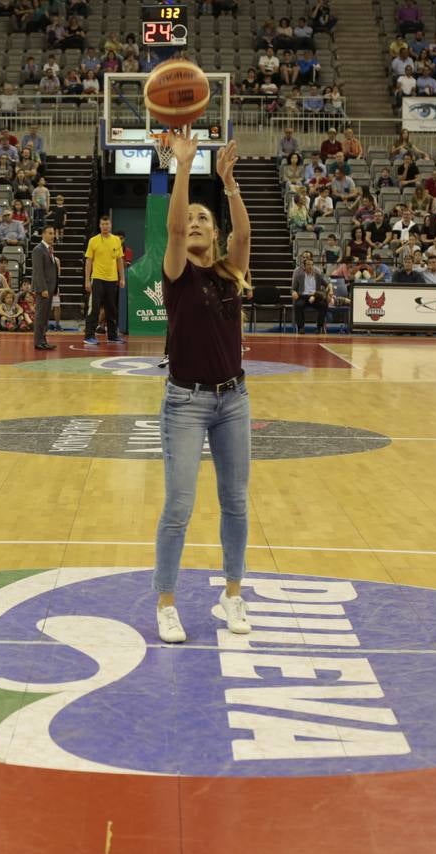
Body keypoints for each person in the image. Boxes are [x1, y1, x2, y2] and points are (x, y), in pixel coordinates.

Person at [152, 127, 252, 644]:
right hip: (185, 402)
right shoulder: (177, 274)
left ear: (213, 235)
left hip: (233, 400)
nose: (194, 222)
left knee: (235, 501)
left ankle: (232, 595)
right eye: (191, 217)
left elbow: (244, 238)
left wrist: (228, 184)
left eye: (202, 219)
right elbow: (171, 232)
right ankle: (166, 603)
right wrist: (185, 166)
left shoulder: (230, 273)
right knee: (179, 506)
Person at [83, 214, 125, 344]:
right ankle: (89, 336)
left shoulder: (116, 240)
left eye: (107, 224)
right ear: (99, 226)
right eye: (103, 224)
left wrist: (122, 278)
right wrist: (87, 280)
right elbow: (88, 262)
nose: (105, 227)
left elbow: (119, 261)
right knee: (94, 308)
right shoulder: (93, 241)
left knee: (111, 309)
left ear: (110, 225)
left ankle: (112, 336)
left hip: (112, 280)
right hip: (97, 279)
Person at [31, 223, 60, 350]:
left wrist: (55, 287)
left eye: (53, 233)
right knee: (40, 315)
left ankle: (43, 340)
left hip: (50, 288)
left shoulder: (49, 249)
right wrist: (43, 288)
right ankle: (38, 341)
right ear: (43, 234)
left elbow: (52, 271)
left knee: (45, 316)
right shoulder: (38, 249)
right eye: (50, 233)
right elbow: (38, 271)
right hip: (43, 288)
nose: (52, 236)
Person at [290, 252, 331, 333]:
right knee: (298, 305)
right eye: (308, 265)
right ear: (304, 266)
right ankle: (301, 327)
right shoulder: (299, 275)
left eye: (312, 264)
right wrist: (293, 292)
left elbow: (327, 284)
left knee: (323, 304)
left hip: (315, 296)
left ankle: (319, 327)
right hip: (303, 296)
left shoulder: (317, 275)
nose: (310, 266)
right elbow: (293, 289)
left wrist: (330, 290)